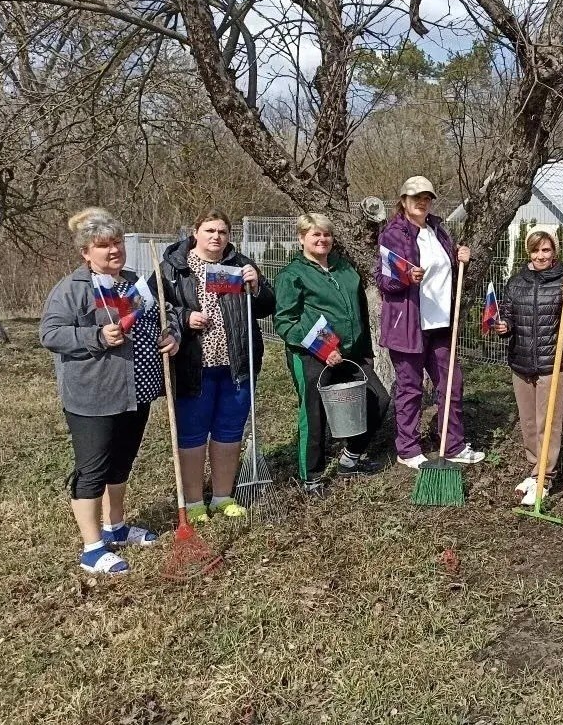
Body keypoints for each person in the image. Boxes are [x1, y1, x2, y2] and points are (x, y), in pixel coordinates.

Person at [40, 208, 180, 575]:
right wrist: (96, 336)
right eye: (103, 246)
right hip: (93, 396)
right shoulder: (72, 289)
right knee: (92, 469)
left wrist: (173, 336)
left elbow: (165, 315)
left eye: (117, 243)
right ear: (86, 252)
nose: (113, 250)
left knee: (121, 462)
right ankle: (92, 548)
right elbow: (50, 335)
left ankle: (115, 526)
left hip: (136, 391)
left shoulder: (134, 282)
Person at [157, 209, 276, 522]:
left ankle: (222, 497)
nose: (216, 237)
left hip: (236, 363)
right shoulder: (174, 268)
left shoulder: (239, 265)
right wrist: (184, 318)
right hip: (193, 365)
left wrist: (258, 286)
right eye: (210, 230)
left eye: (222, 232)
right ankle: (195, 502)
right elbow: (157, 307)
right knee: (192, 434)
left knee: (229, 431)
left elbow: (267, 307)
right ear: (195, 232)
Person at [273, 213, 390, 495]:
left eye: (326, 234)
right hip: (311, 356)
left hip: (350, 353)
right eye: (315, 235)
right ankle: (310, 477)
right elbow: (286, 321)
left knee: (378, 400)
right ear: (301, 238)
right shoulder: (293, 275)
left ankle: (351, 458)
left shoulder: (344, 268)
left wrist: (364, 350)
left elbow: (358, 309)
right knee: (313, 414)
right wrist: (324, 348)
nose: (322, 240)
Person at [375, 176, 484, 469]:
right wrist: (405, 278)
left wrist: (461, 257)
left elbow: (445, 267)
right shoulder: (393, 234)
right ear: (403, 200)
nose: (421, 202)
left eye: (426, 197)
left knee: (451, 385)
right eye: (415, 197)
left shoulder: (438, 229)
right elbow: (382, 280)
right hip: (408, 324)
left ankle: (453, 444)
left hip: (441, 323)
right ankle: (407, 449)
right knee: (410, 388)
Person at [495, 230, 563, 506]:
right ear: (528, 252)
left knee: (550, 422)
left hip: (551, 364)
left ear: (554, 252)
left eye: (546, 250)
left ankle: (546, 476)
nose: (540, 256)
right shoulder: (516, 283)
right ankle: (535, 470)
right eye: (535, 250)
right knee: (529, 422)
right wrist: (503, 327)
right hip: (521, 362)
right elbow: (508, 318)